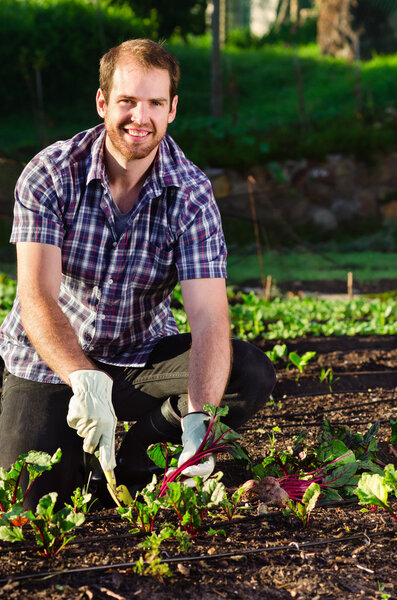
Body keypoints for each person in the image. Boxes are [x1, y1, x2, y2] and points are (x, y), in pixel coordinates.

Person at [0, 39, 276, 510]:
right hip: (51, 363)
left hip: (139, 360)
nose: (139, 118)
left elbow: (209, 318)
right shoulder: (50, 174)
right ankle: (75, 452)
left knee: (248, 372)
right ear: (103, 103)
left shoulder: (191, 194)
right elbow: (37, 297)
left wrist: (201, 417)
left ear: (172, 109)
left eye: (154, 103)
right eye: (127, 101)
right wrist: (83, 378)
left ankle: (139, 458)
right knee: (34, 505)